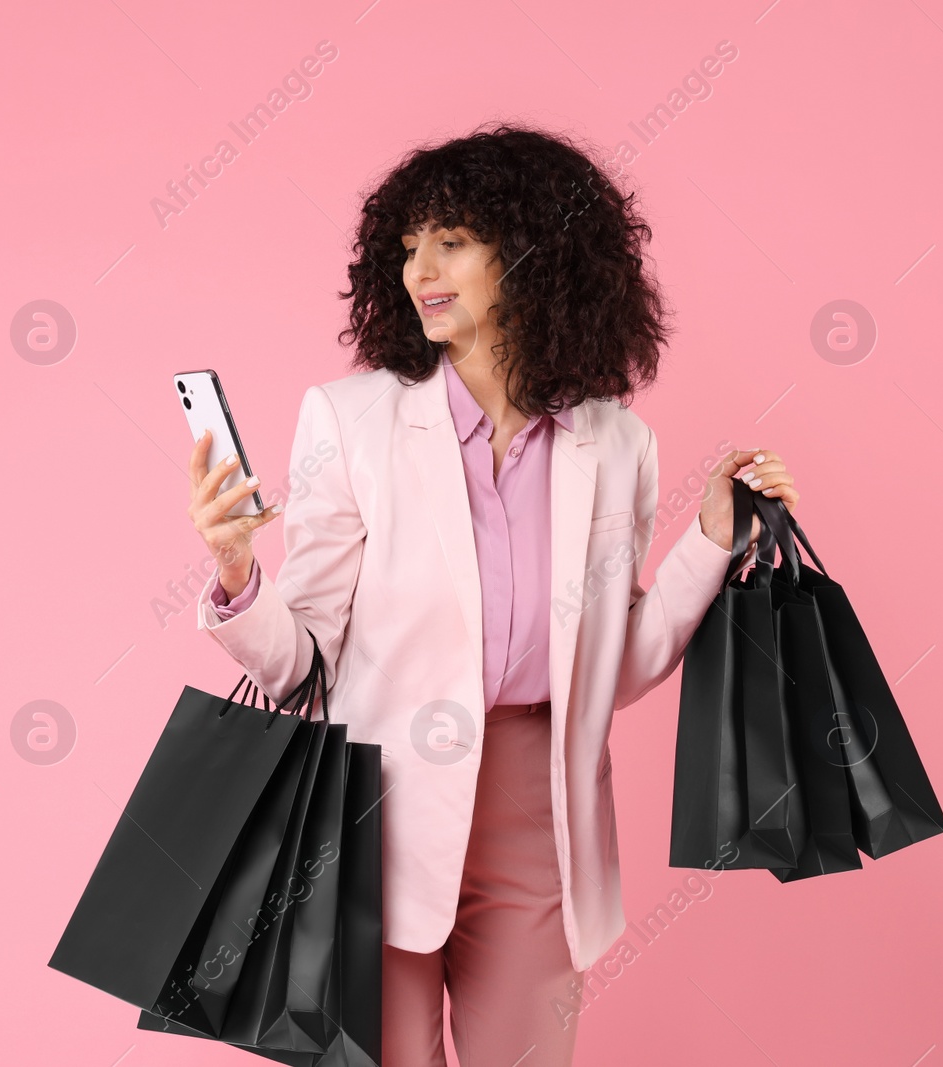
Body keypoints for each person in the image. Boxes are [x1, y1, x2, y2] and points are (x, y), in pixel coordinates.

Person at [185, 123, 798, 1067]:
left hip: (538, 807)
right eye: (408, 245)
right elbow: (303, 657)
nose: (419, 268)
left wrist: (712, 539)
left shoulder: (617, 443)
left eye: (452, 241)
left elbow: (618, 666)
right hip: (370, 806)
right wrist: (235, 575)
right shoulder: (350, 421)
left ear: (533, 252)